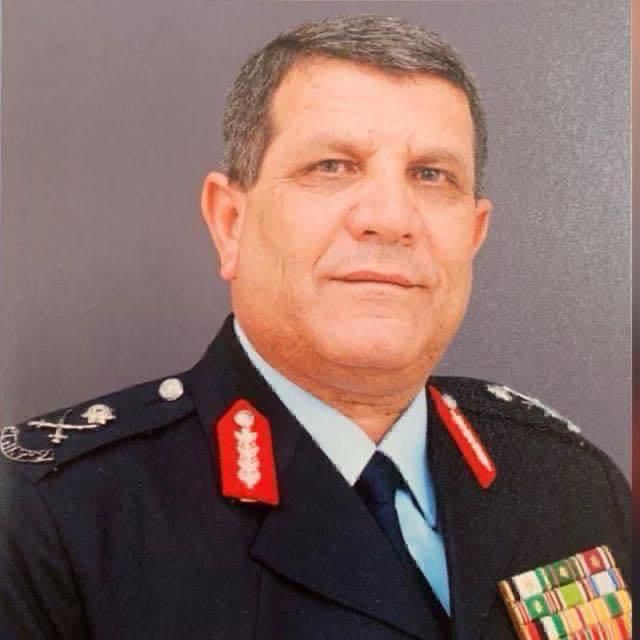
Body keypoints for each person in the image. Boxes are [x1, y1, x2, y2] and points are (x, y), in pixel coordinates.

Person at [0, 15, 630, 640]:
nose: (390, 218)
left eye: (431, 175)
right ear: (230, 223)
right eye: (332, 166)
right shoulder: (51, 515)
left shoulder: (566, 481)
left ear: (473, 233)